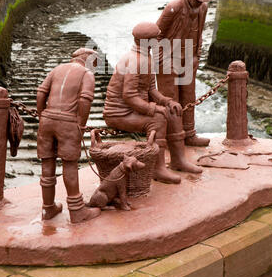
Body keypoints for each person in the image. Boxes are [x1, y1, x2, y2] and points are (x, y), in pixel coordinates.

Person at [103, 22, 202, 185]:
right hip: (119, 114)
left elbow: (150, 89)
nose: (158, 41)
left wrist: (167, 102)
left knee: (172, 112)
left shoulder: (145, 57)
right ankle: (158, 168)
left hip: (134, 109)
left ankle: (178, 161)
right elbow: (128, 96)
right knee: (158, 119)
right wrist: (152, 108)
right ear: (147, 42)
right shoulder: (135, 60)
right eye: (155, 39)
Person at [36, 48, 101, 223]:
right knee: (70, 165)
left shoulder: (57, 69)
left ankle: (48, 208)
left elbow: (41, 92)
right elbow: (84, 100)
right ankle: (77, 210)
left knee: (47, 162)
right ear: (88, 60)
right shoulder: (86, 74)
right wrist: (80, 124)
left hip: (47, 120)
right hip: (68, 122)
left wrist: (42, 115)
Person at [156, 0, 211, 147]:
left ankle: (189, 134)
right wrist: (162, 60)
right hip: (169, 59)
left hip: (188, 58)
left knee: (188, 97)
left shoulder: (202, 8)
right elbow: (157, 34)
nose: (199, 4)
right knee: (170, 99)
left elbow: (200, 32)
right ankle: (172, 138)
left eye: (202, 1)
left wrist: (197, 55)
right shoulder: (174, 7)